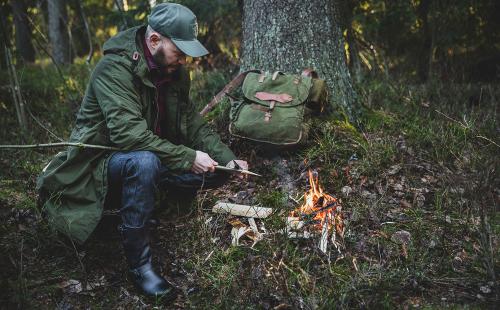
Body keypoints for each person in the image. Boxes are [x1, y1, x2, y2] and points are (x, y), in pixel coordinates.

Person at [36, 3, 248, 298]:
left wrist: (227, 159)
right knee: (145, 162)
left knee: (218, 173)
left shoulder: (174, 72)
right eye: (180, 50)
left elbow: (193, 123)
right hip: (98, 167)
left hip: (149, 157)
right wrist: (187, 157)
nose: (184, 59)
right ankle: (141, 267)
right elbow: (129, 136)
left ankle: (150, 196)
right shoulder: (113, 69)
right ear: (154, 41)